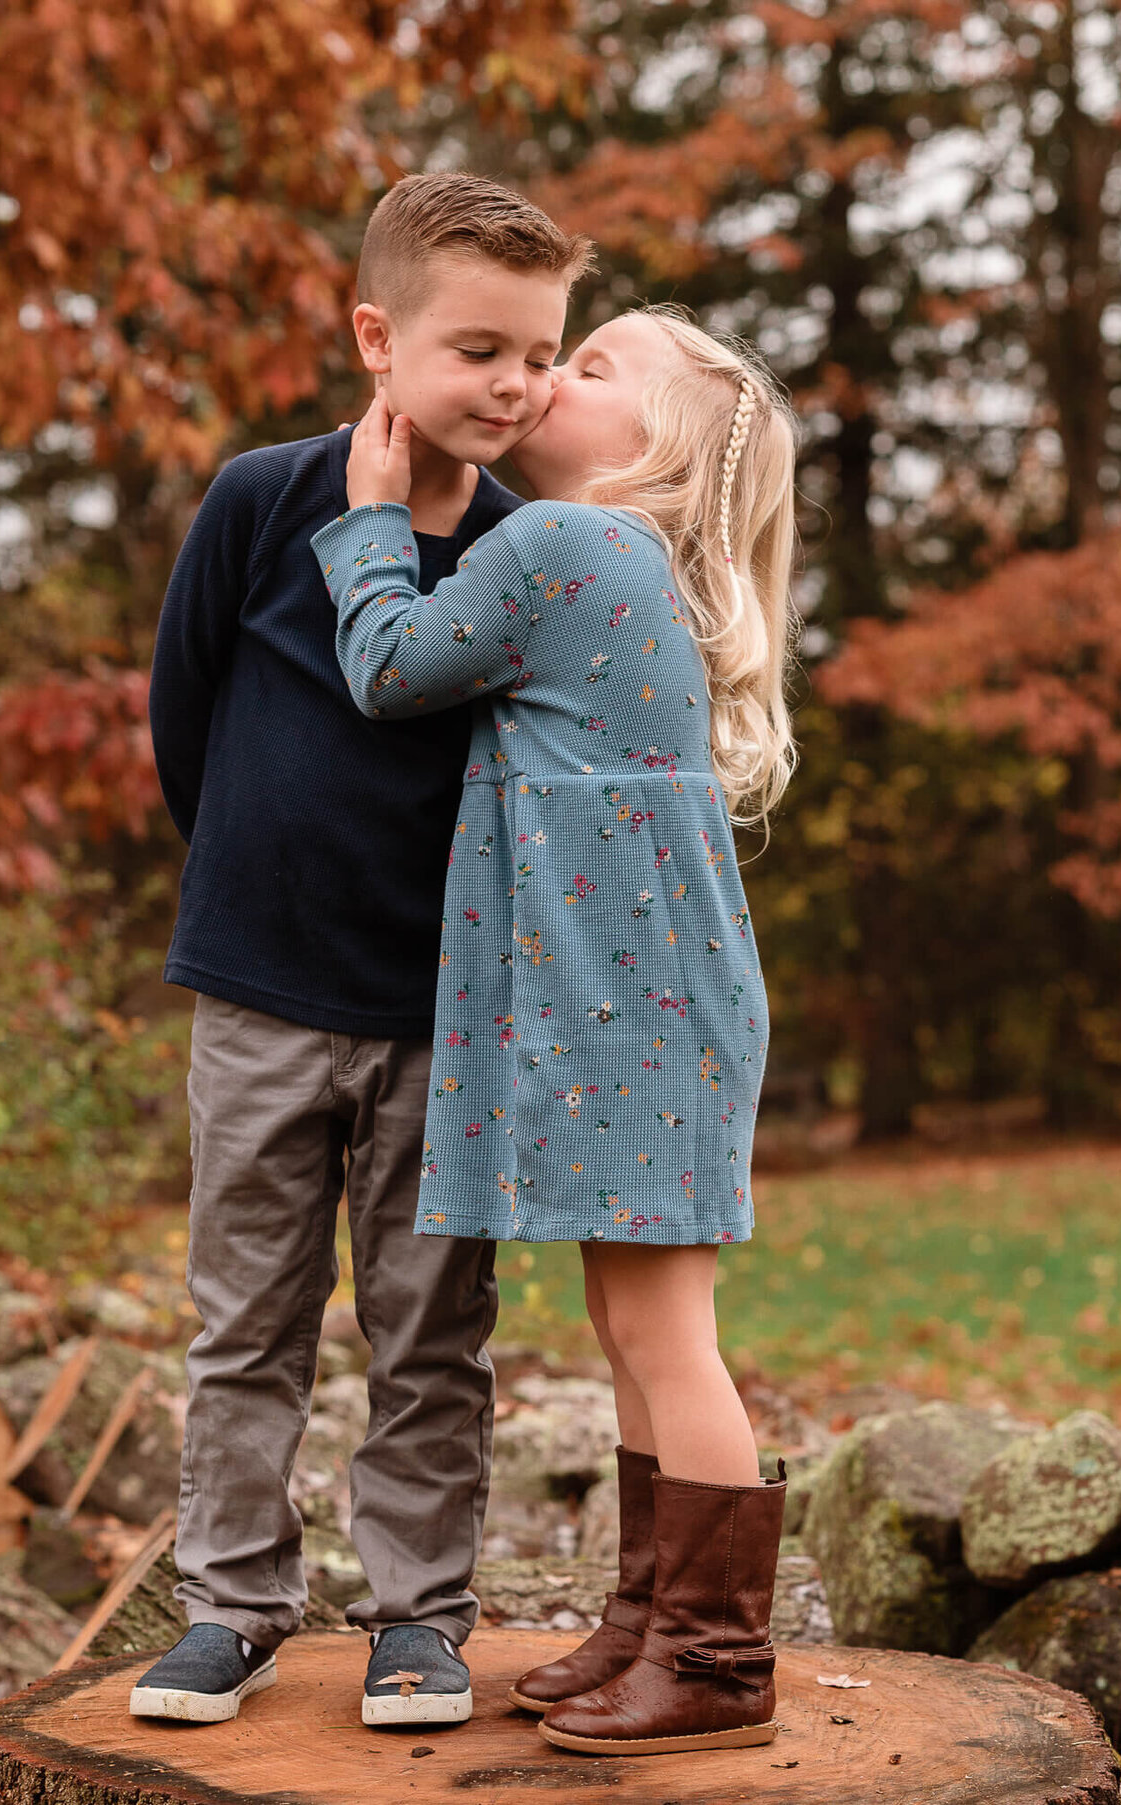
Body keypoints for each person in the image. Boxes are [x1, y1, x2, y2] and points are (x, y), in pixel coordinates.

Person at [131, 172, 593, 1729]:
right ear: (377, 338)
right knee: (246, 1317)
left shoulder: (530, 553)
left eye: (540, 352)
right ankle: (233, 1608)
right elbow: (184, 716)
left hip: (441, 1014)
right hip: (261, 992)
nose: (517, 385)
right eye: (479, 350)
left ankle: (419, 1620)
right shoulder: (262, 501)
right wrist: (254, 881)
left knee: (430, 1332)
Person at [310, 304, 801, 1757]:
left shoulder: (563, 545)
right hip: (646, 991)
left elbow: (391, 668)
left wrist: (371, 522)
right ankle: (653, 1619)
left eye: (590, 367)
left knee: (663, 1331)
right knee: (630, 1323)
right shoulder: (622, 557)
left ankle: (718, 1660)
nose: (544, 375)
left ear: (657, 447)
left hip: (627, 997)